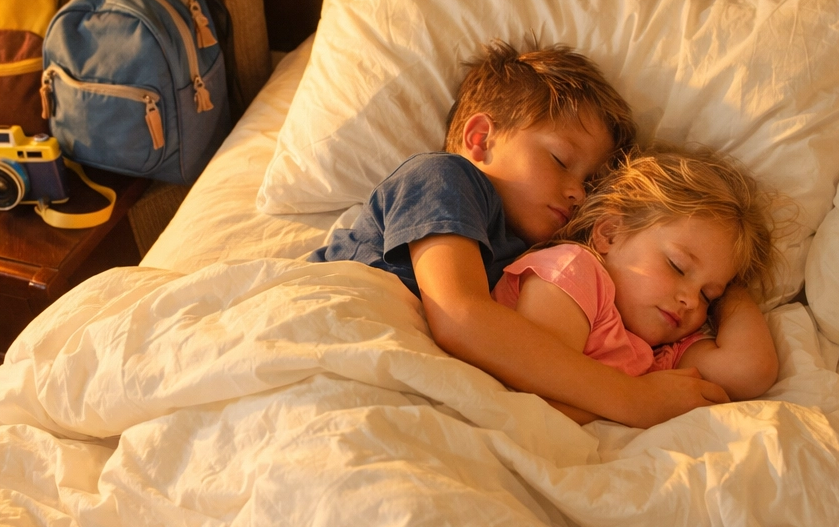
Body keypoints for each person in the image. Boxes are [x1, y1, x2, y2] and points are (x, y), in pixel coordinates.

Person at [310, 40, 731, 427]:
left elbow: (526, 386)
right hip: (336, 340)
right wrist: (633, 398)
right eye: (560, 160)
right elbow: (460, 316)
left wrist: (722, 281)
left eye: (590, 182)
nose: (579, 192)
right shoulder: (443, 177)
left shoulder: (534, 255)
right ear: (480, 139)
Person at [493, 147, 780, 424]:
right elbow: (536, 393)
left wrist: (732, 289)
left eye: (707, 296)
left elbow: (749, 371)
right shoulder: (572, 272)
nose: (692, 301)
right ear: (610, 233)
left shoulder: (658, 349)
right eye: (677, 266)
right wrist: (646, 399)